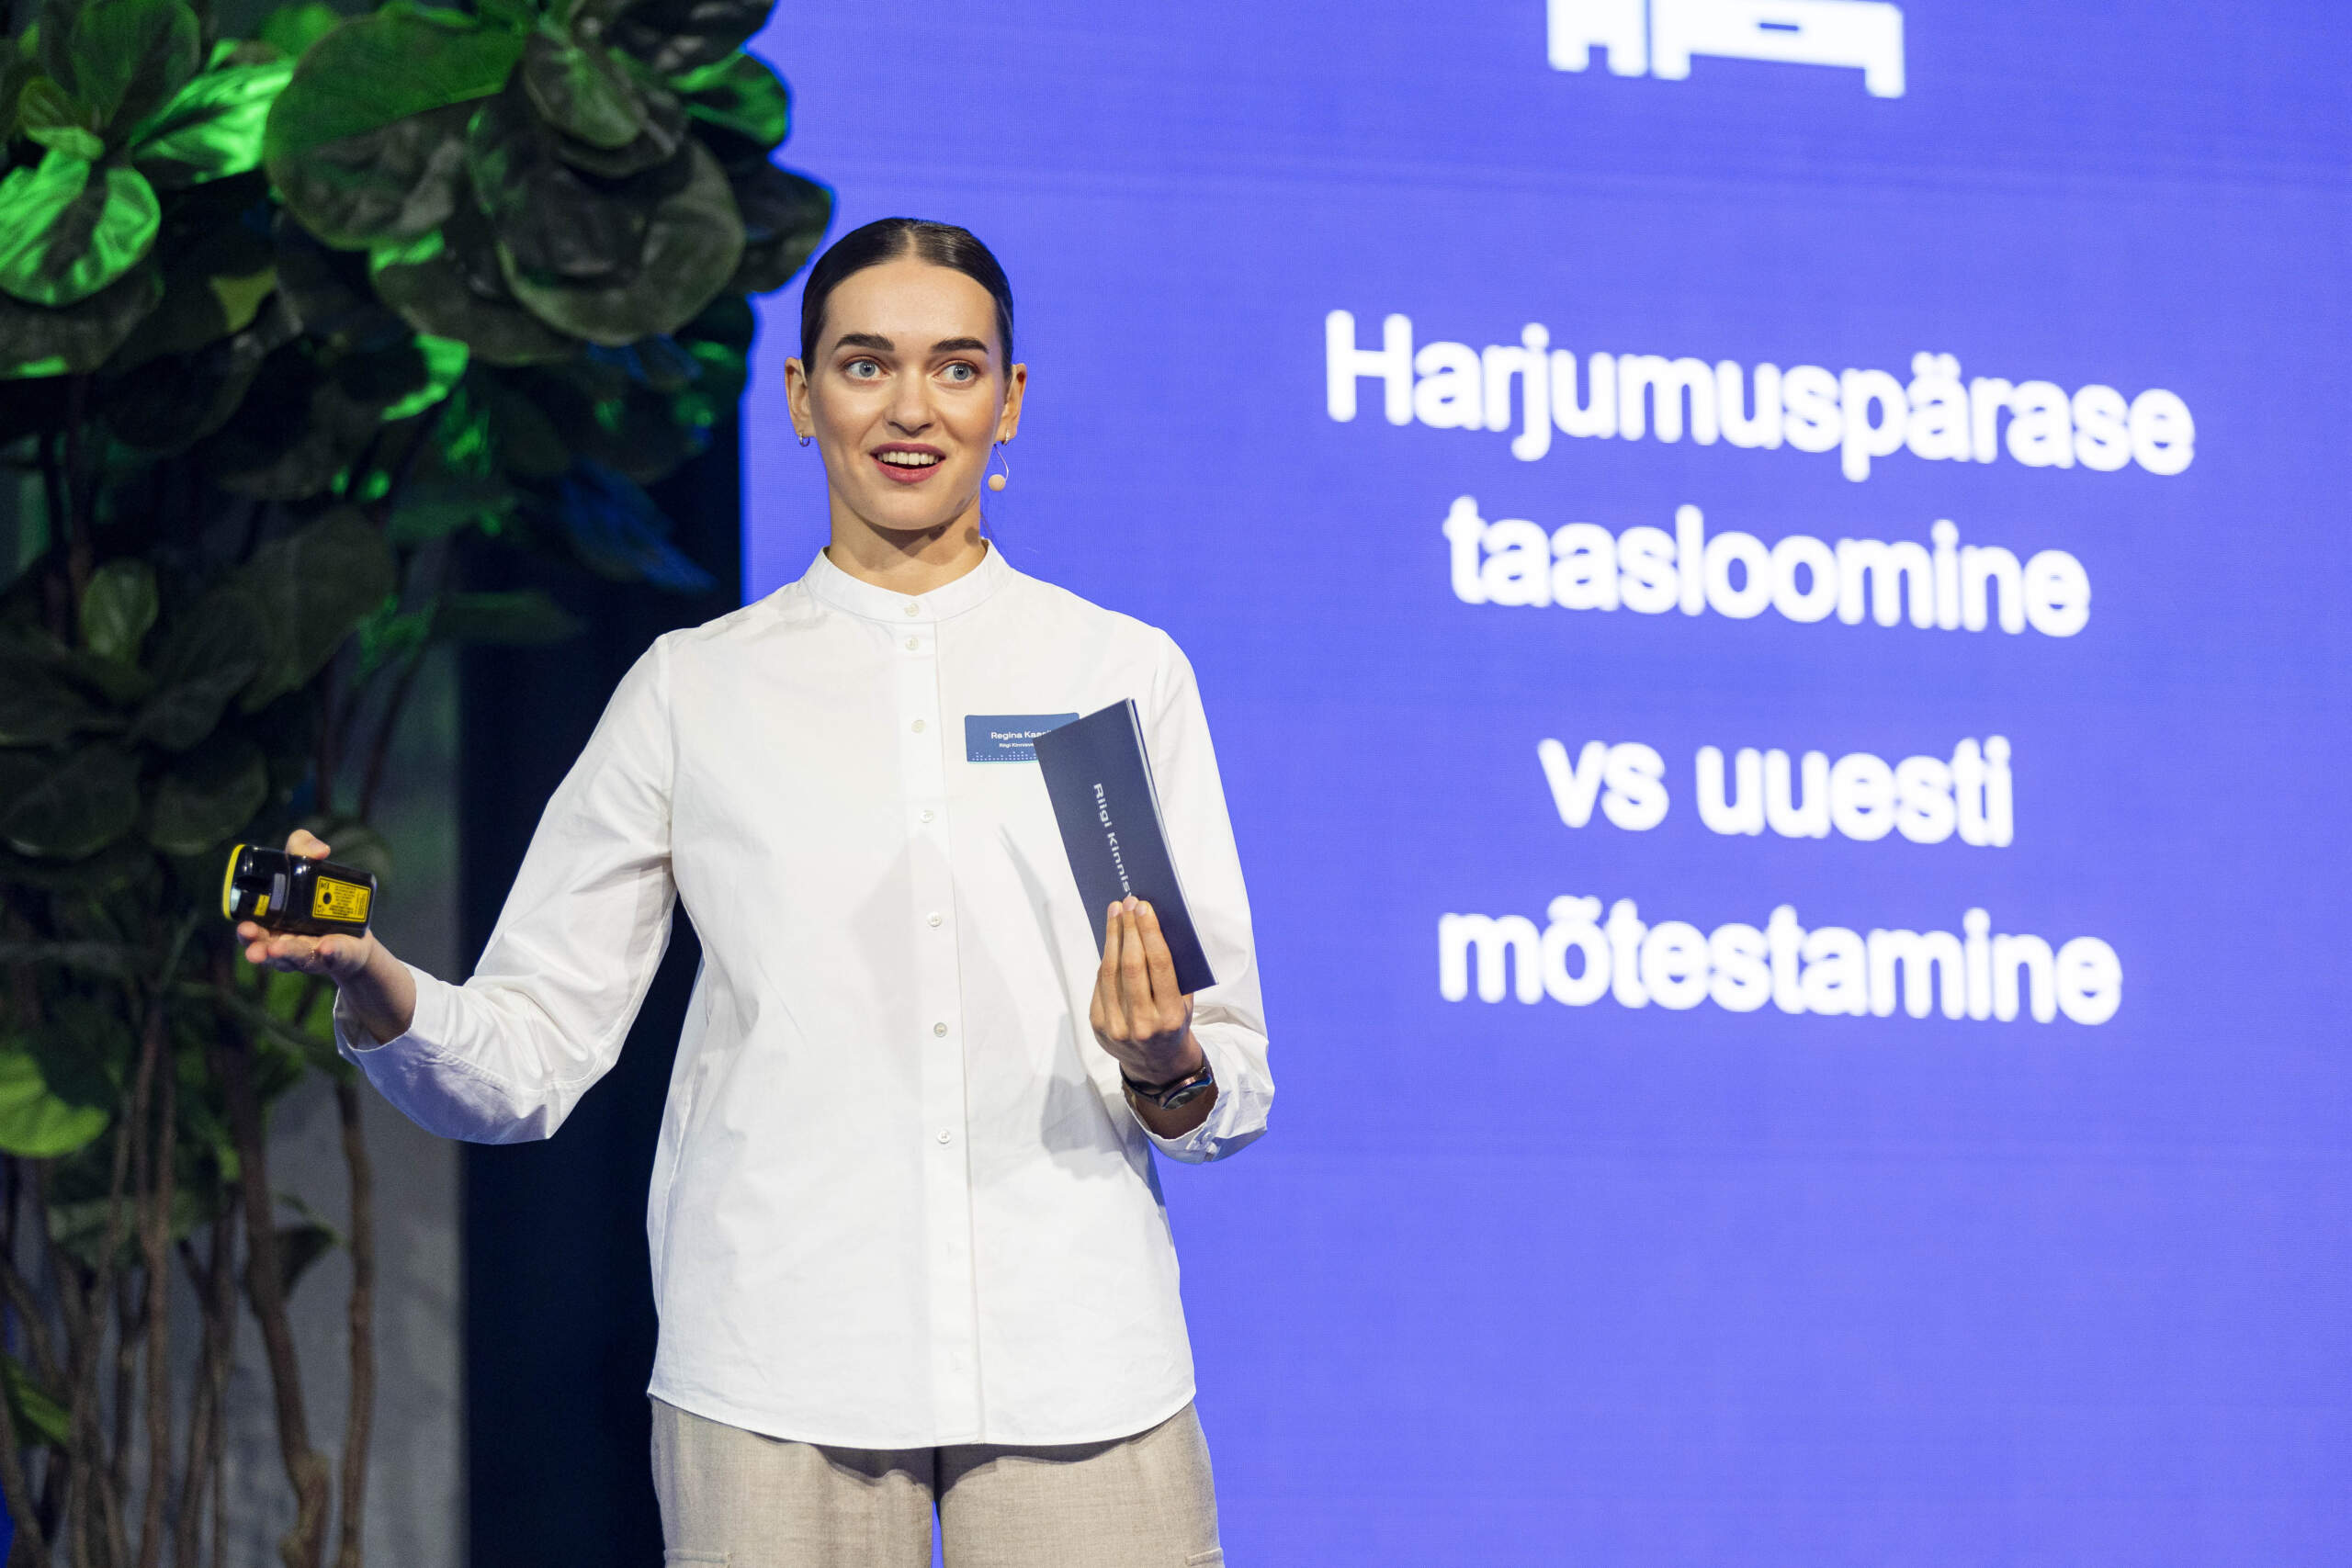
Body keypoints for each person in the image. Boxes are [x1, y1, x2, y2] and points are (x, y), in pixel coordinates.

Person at [238, 218, 1272, 1567]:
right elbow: (530, 1053)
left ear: (1010, 401)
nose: (911, 409)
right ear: (800, 395)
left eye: (957, 368)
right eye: (865, 364)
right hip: (777, 1366)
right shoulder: (695, 689)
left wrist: (1165, 1062)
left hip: (1081, 1358)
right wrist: (372, 976)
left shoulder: (1119, 671)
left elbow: (1225, 1077)